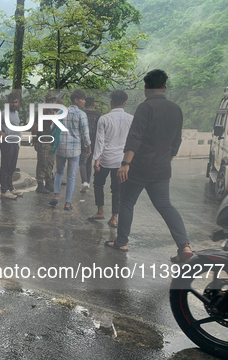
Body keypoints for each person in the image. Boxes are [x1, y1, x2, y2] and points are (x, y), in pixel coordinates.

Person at [105, 69, 193, 263]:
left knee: (127, 202)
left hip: (139, 167)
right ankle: (184, 245)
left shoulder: (146, 108)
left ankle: (122, 242)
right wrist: (166, 160)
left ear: (145, 87)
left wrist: (126, 163)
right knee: (165, 205)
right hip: (161, 168)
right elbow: (176, 141)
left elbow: (135, 136)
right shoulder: (176, 109)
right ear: (165, 87)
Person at [87, 90, 133, 227]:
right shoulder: (131, 119)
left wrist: (97, 159)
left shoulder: (104, 119)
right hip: (122, 161)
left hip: (105, 159)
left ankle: (100, 211)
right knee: (117, 189)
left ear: (111, 102)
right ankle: (114, 217)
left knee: (98, 184)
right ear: (125, 103)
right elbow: (133, 141)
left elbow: (100, 140)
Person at [49, 90, 91, 211]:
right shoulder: (81, 114)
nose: (84, 101)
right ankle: (67, 204)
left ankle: (55, 196)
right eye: (82, 99)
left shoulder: (61, 112)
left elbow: (53, 127)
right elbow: (85, 132)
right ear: (76, 100)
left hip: (61, 148)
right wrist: (88, 145)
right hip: (74, 150)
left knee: (59, 172)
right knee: (71, 176)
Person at [0, 92, 23, 199]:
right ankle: (4, 190)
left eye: (16, 102)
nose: (14, 104)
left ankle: (11, 188)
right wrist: (2, 133)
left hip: (15, 143)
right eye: (12, 102)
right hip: (7, 144)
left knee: (12, 167)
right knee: (5, 167)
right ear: (8, 102)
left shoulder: (16, 113)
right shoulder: (3, 113)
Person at [32, 93, 56, 194]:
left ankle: (49, 182)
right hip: (42, 140)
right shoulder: (42, 111)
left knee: (50, 162)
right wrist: (34, 138)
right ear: (46, 101)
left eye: (54, 101)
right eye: (50, 101)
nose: (52, 102)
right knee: (42, 162)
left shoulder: (52, 111)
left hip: (50, 141)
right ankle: (40, 184)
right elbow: (36, 125)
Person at [80, 97, 102, 193]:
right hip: (93, 141)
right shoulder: (98, 115)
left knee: (82, 162)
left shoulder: (82, 114)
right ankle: (87, 182)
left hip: (82, 140)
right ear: (93, 105)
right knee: (89, 162)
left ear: (85, 104)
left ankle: (84, 181)